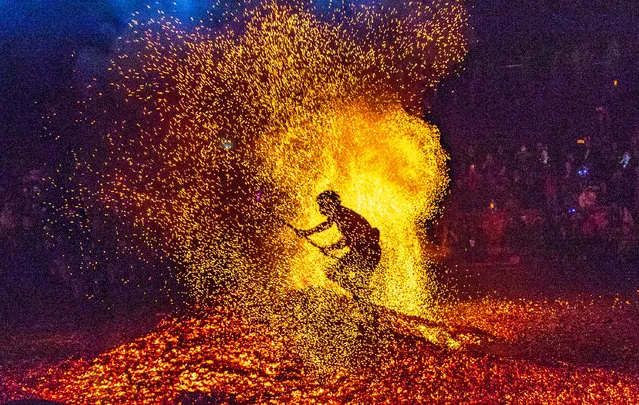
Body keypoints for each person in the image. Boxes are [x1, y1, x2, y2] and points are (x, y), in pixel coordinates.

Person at [295, 190, 381, 308]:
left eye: (322, 206)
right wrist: (307, 233)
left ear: (329, 204)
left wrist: (330, 248)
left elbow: (348, 240)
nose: (320, 210)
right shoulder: (340, 214)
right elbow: (326, 225)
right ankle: (361, 300)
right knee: (348, 279)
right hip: (366, 252)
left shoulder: (344, 216)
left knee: (337, 274)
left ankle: (362, 300)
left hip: (367, 252)